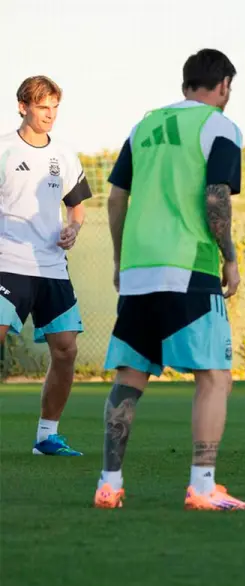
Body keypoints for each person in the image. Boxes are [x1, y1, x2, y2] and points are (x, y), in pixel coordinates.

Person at [93, 49, 245, 510]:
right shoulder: (220, 125)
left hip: (140, 269)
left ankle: (109, 484)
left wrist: (122, 259)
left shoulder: (140, 127)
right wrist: (230, 258)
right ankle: (202, 487)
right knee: (214, 378)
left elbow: (116, 198)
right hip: (189, 266)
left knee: (129, 377)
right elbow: (217, 195)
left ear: (185, 84)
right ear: (223, 85)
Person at [0, 75, 92, 456]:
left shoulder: (65, 155)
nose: (50, 115)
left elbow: (77, 206)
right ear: (23, 107)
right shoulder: (4, 149)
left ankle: (46, 437)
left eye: (54, 107)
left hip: (52, 267)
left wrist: (73, 228)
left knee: (66, 350)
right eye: (42, 107)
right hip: (8, 262)